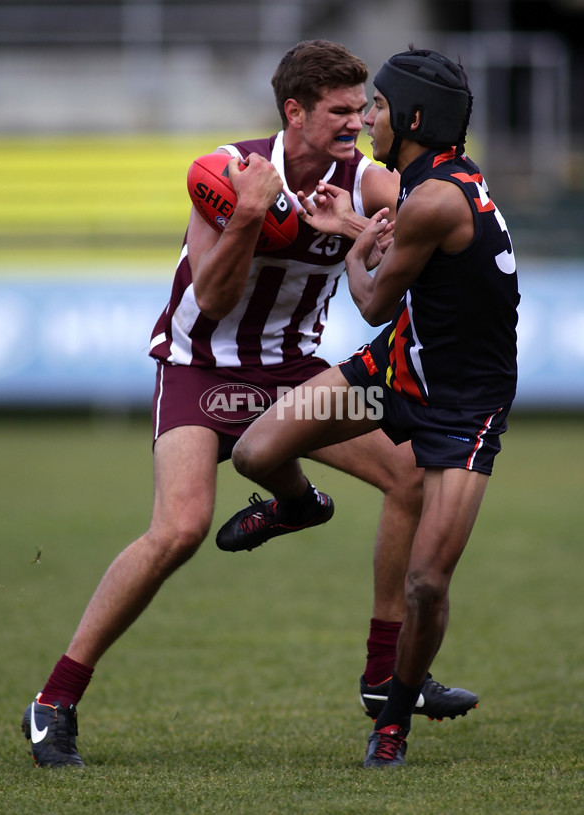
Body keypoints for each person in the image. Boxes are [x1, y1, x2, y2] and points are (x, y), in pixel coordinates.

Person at [21, 41, 475, 769]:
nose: (356, 122)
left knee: (409, 477)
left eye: (363, 108)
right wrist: (247, 218)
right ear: (293, 112)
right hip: (199, 366)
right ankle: (54, 700)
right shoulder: (227, 172)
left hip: (293, 369)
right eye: (339, 110)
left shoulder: (369, 183)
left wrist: (359, 229)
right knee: (179, 528)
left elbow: (445, 238)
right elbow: (213, 298)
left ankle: (379, 678)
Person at [217, 48, 519, 769]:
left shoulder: (433, 199)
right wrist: (356, 224)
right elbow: (416, 261)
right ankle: (296, 505)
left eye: (377, 107)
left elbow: (373, 296)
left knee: (426, 582)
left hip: (462, 407)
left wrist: (351, 248)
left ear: (411, 119)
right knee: (256, 450)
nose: (367, 119)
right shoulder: (440, 184)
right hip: (397, 371)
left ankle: (393, 718)